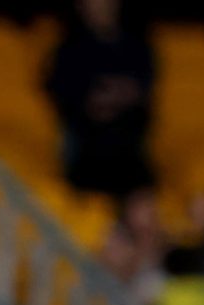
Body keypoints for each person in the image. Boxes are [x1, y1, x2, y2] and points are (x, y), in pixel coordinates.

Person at [43, 0, 154, 200]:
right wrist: (102, 100)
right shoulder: (68, 50)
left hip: (128, 150)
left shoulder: (137, 47)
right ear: (80, 7)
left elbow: (141, 92)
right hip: (84, 151)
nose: (99, 8)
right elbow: (66, 95)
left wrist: (108, 98)